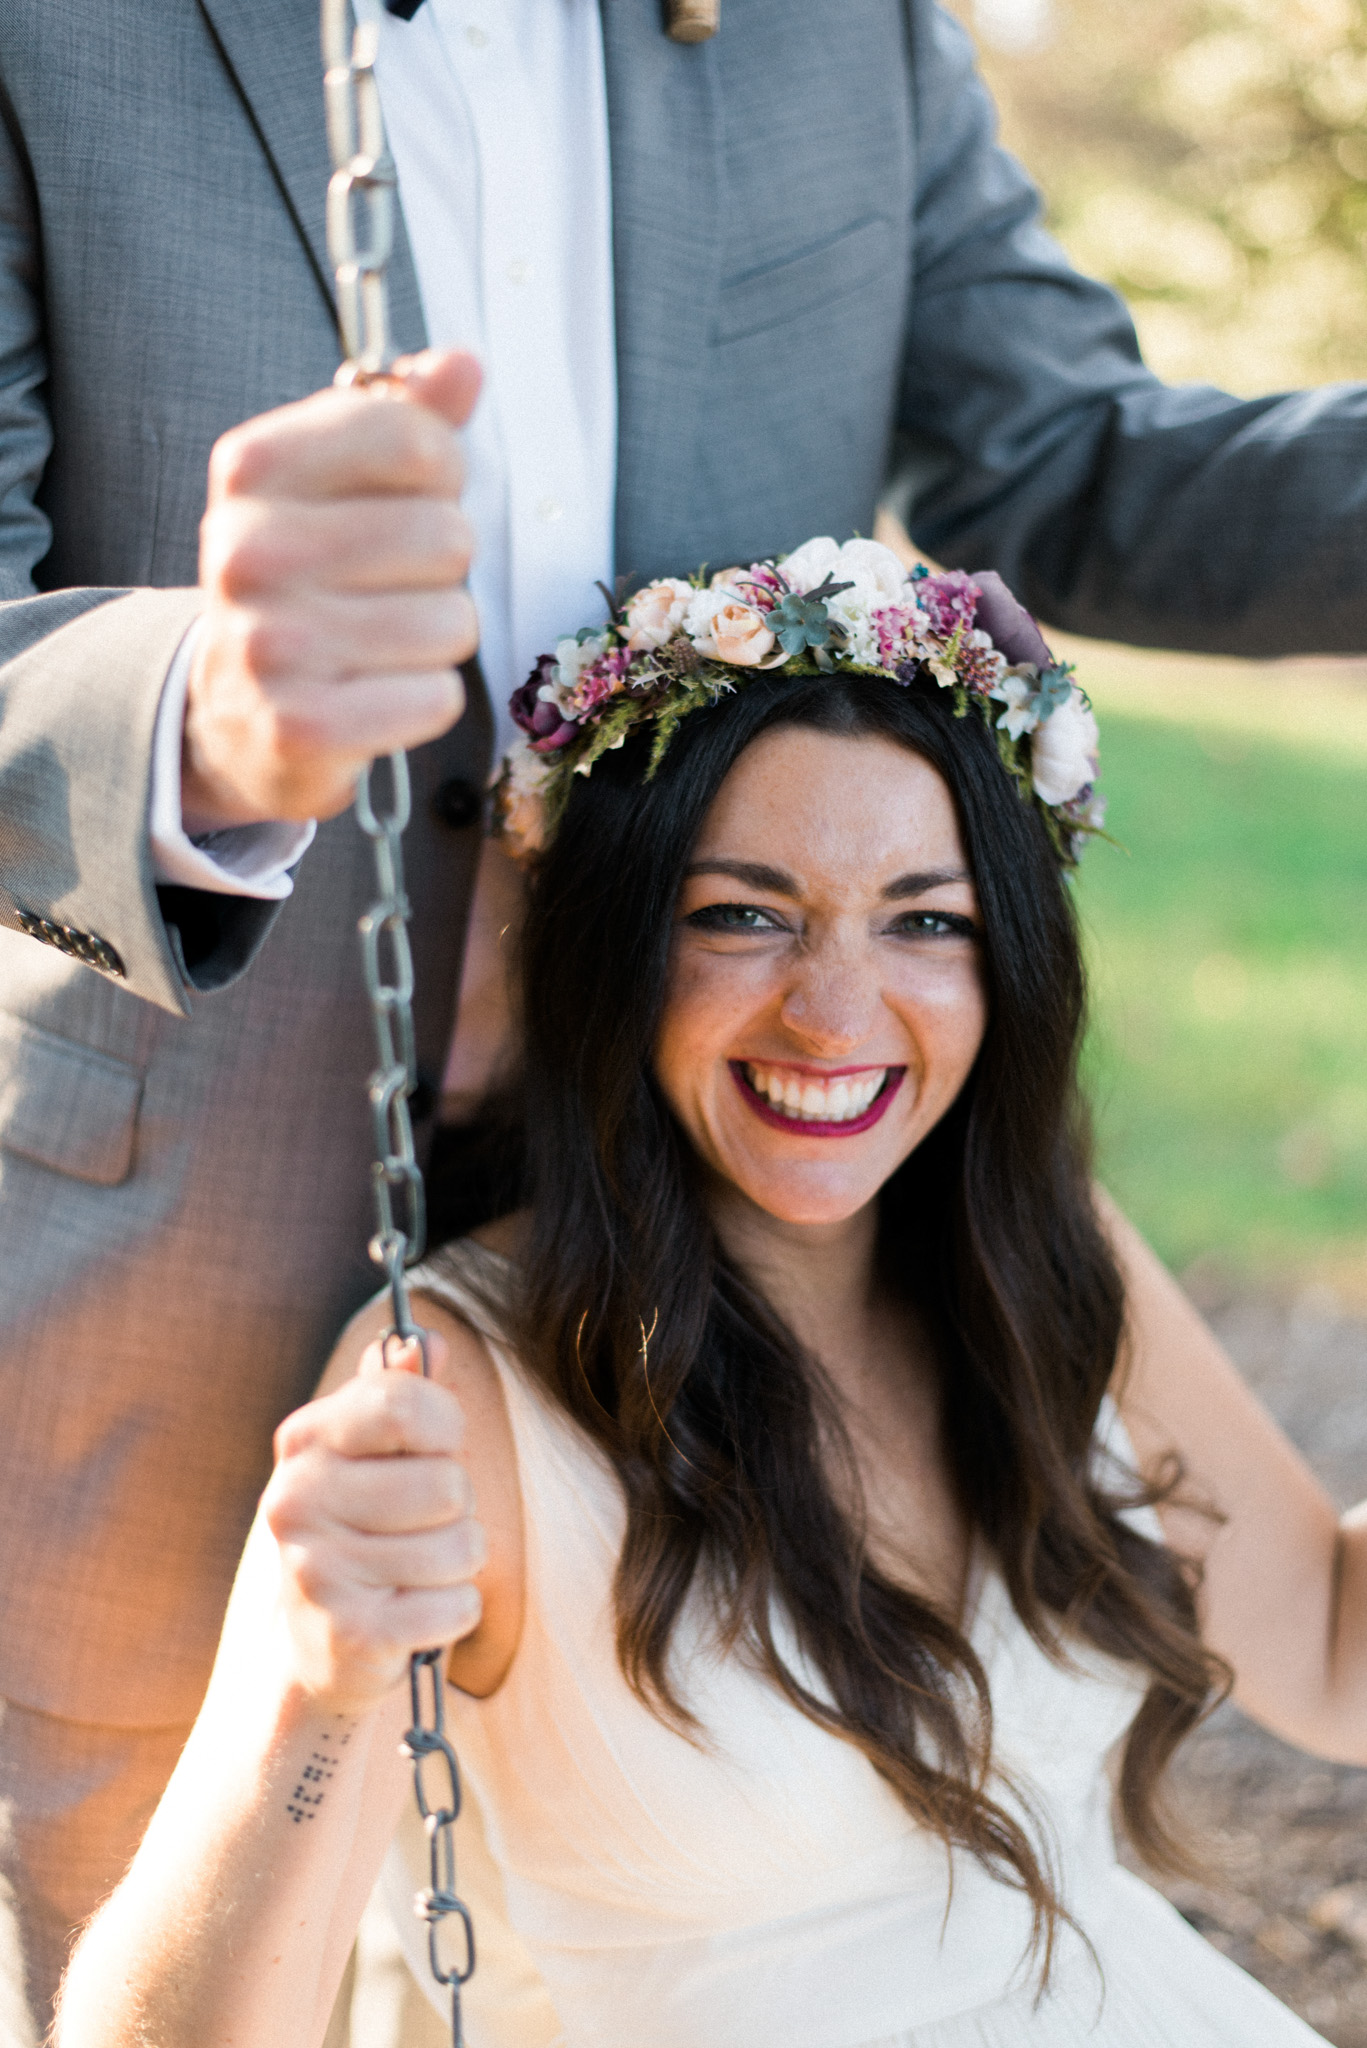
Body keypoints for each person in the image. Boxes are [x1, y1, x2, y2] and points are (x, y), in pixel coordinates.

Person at [5, 1, 1367, 2032]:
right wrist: (198, 718)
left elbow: (1066, 450)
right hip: (194, 1164)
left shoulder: (839, 31)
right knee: (169, 1897)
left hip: (761, 1137)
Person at [57, 542, 1363, 2048]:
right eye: (743, 914)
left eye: (925, 920)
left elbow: (1333, 1647)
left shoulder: (1032, 1259)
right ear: (620, 946)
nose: (835, 1011)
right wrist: (314, 1684)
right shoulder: (455, 1391)